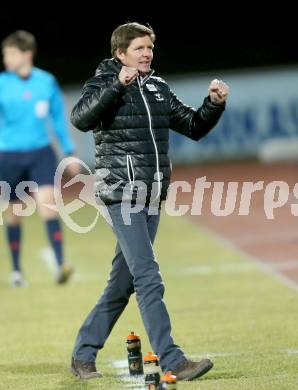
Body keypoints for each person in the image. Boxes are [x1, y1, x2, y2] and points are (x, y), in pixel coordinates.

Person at [70, 22, 229, 381]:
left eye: (149, 48)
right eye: (139, 48)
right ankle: (173, 359)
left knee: (123, 283)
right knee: (148, 276)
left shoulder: (157, 87)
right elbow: (80, 118)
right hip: (120, 193)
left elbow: (192, 125)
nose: (147, 54)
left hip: (152, 195)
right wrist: (116, 86)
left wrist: (214, 105)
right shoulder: (103, 82)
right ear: (120, 53)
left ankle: (82, 354)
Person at [0, 30, 80, 286]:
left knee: (48, 204)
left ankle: (60, 265)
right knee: (13, 214)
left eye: (10, 53)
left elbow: (57, 120)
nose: (6, 59)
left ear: (27, 54)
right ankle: (16, 271)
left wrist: (69, 153)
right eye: (5, 54)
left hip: (41, 153)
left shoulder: (46, 82)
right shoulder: (2, 82)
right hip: (8, 155)